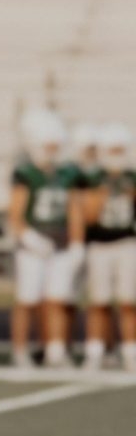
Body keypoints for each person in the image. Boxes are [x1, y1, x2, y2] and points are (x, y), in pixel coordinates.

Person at [10, 110, 84, 367]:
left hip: (60, 244)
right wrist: (29, 236)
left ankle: (55, 350)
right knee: (27, 300)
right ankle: (19, 350)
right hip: (33, 246)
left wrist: (77, 242)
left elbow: (74, 210)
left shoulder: (67, 173)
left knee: (57, 299)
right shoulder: (26, 173)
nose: (53, 149)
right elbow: (15, 214)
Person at [79, 123, 136, 371]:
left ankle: (130, 352)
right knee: (99, 301)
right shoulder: (92, 178)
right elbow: (88, 216)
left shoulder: (131, 178)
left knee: (128, 301)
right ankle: (94, 352)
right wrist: (100, 195)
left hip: (126, 243)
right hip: (100, 245)